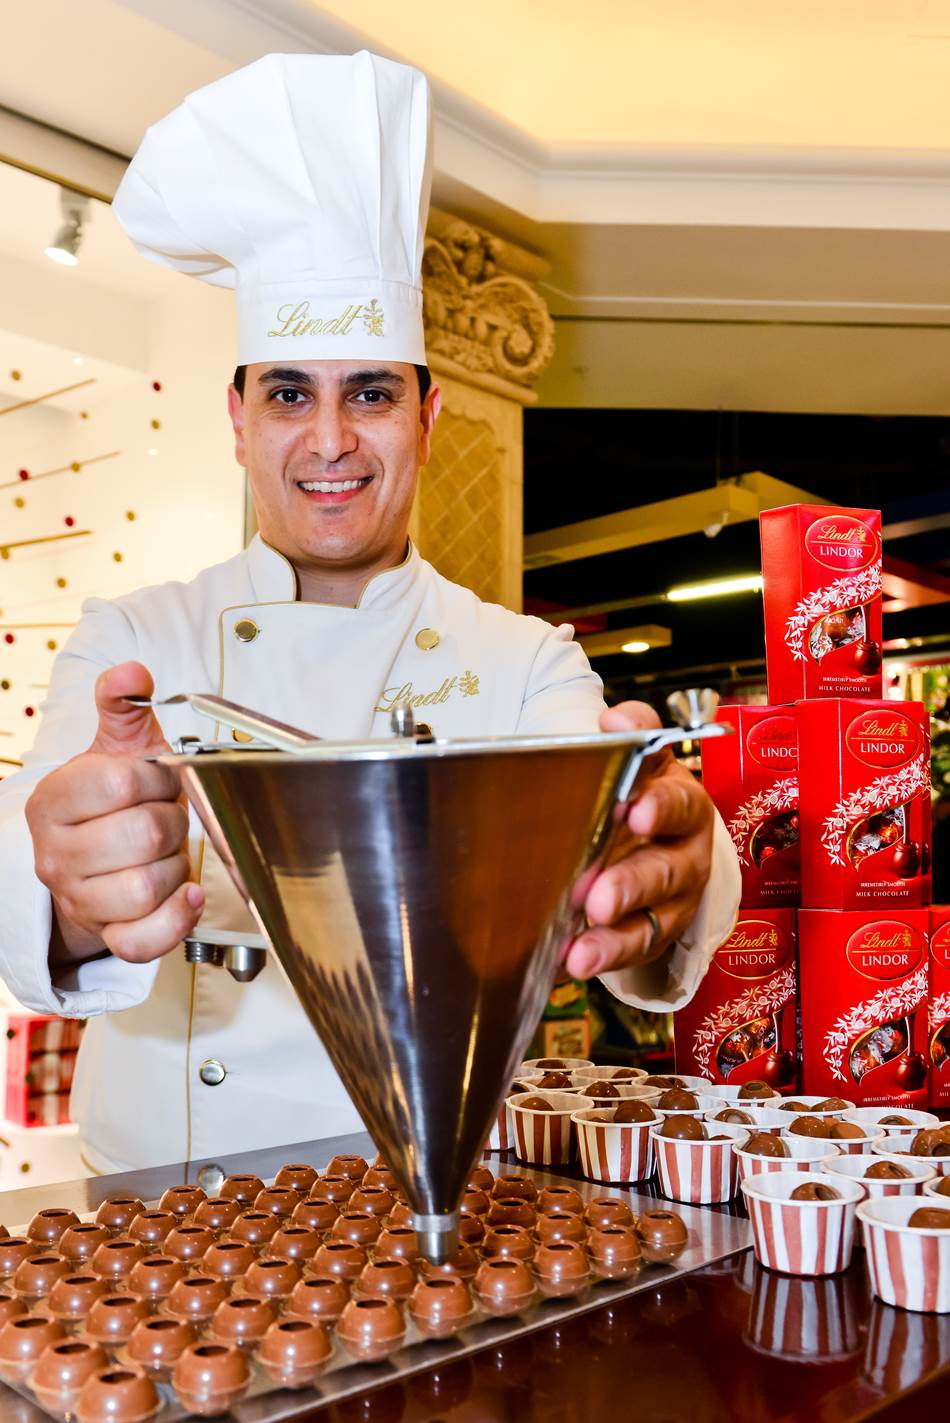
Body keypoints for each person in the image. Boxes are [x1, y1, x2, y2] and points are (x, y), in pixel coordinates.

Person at [0, 52, 740, 1174]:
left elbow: (631, 854)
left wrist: (675, 874)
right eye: (289, 392)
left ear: (428, 419)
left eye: (372, 393)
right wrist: (71, 883)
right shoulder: (135, 638)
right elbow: (30, 863)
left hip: (428, 1198)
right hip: (162, 1214)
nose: (331, 438)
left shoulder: (525, 662)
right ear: (238, 421)